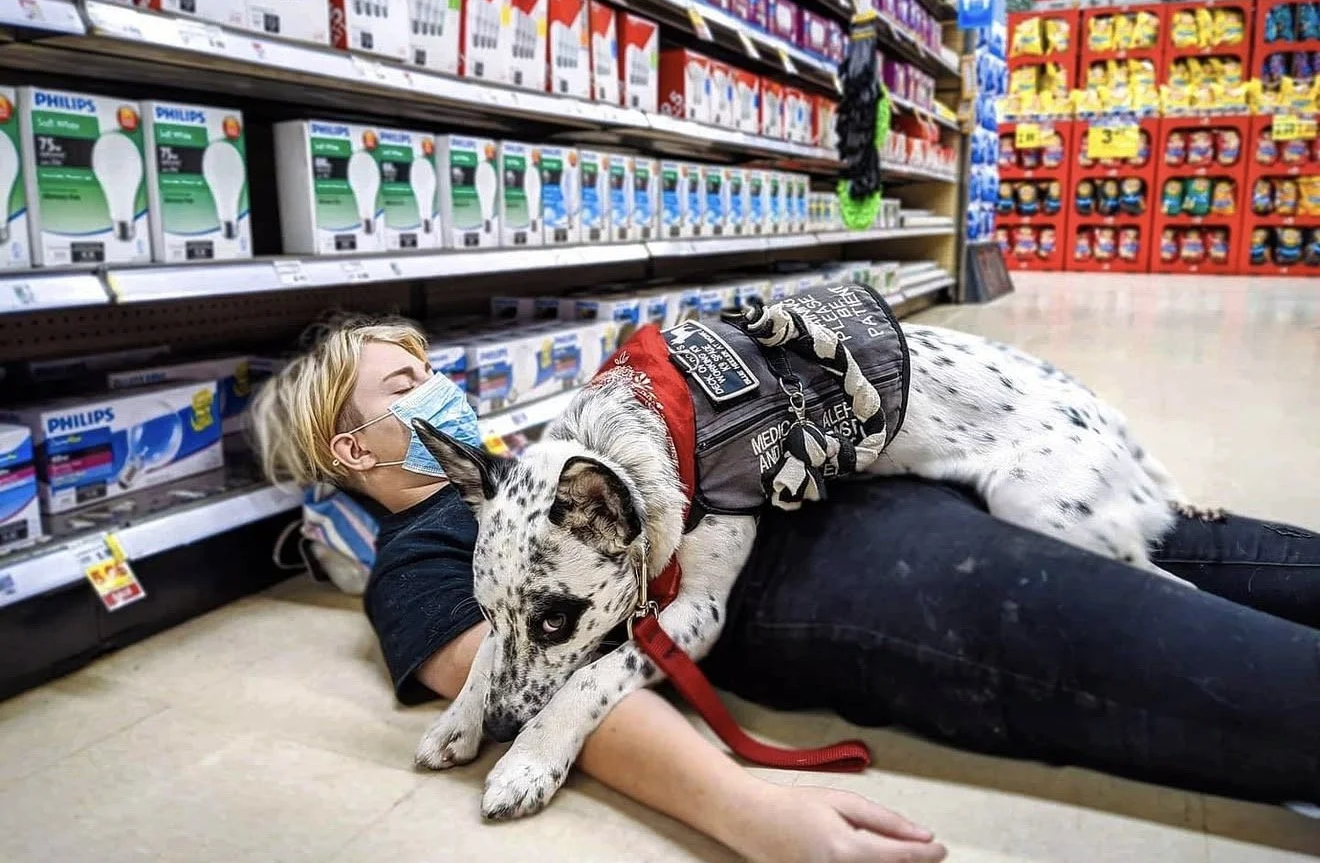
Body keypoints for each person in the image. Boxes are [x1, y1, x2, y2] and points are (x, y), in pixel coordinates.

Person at [250, 316, 1320, 863]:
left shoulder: (521, 462)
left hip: (883, 476)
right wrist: (747, 810)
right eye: (407, 383)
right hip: (856, 589)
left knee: (1214, 543)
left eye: (434, 366)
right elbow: (518, 679)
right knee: (1228, 671)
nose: (441, 388)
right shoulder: (421, 549)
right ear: (350, 448)